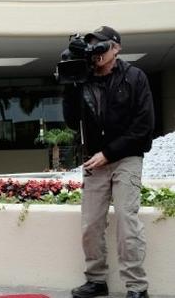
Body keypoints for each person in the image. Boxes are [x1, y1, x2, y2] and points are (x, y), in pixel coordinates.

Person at [63, 26, 155, 298]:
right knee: (91, 224)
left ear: (116, 48)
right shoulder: (84, 79)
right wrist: (72, 82)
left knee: (127, 222)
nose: (97, 53)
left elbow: (144, 126)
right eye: (93, 47)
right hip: (95, 160)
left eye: (102, 46)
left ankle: (137, 287)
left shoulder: (134, 77)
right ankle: (96, 280)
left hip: (126, 157)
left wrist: (109, 153)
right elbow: (71, 120)